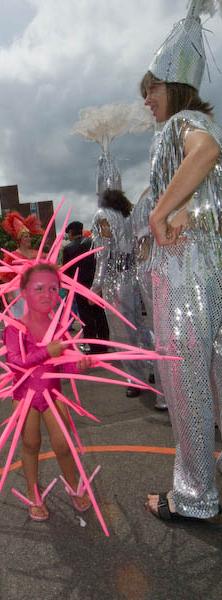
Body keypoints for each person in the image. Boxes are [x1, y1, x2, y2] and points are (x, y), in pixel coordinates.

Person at [141, 0, 222, 522]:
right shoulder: (185, 122)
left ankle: (196, 496)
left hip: (185, 272)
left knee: (186, 379)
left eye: (149, 89)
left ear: (171, 83)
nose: (146, 101)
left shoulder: (183, 123)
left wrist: (160, 214)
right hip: (207, 267)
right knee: (212, 373)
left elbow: (207, 150)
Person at [3, 263, 92, 520]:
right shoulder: (14, 328)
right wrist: (46, 352)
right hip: (25, 396)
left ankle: (74, 487)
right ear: (23, 292)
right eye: (39, 288)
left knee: (63, 445)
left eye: (54, 288)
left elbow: (63, 365)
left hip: (53, 394)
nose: (47, 294)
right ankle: (33, 494)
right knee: (31, 445)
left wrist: (79, 365)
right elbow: (14, 362)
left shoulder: (59, 328)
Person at [91, 189, 147, 397]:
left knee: (122, 332)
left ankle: (136, 378)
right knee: (137, 325)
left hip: (114, 279)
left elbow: (103, 253)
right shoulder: (127, 217)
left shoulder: (102, 216)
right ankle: (152, 363)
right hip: (131, 276)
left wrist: (95, 286)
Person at [131, 184, 167, 410]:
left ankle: (165, 395)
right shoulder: (159, 189)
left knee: (160, 333)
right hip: (162, 263)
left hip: (148, 267)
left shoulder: (146, 196)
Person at [62, 221, 109, 353]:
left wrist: (68, 289)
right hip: (95, 284)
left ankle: (92, 344)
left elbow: (67, 271)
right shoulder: (92, 243)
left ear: (71, 233)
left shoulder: (69, 248)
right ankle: (104, 342)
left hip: (79, 285)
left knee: (86, 316)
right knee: (100, 314)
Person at [0, 212, 44, 318]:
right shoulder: (12, 256)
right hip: (20, 292)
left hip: (37, 289)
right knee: (22, 317)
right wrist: (10, 294)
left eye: (29, 236)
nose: (29, 238)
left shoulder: (37, 254)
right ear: (19, 239)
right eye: (25, 237)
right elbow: (8, 278)